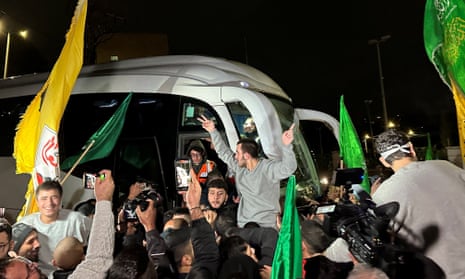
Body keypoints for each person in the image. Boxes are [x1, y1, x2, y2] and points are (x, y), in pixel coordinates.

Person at [372, 129, 465, 279]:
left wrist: (372, 199)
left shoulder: (385, 193)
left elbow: (370, 233)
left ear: (383, 161)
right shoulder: (448, 167)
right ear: (411, 148)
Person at [198, 115, 297, 229]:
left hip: (266, 226)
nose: (235, 156)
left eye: (237, 153)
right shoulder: (240, 168)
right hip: (244, 226)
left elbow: (289, 168)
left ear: (246, 156)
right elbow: (224, 153)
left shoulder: (268, 168)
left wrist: (287, 146)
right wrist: (212, 131)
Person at [17, 180, 92, 276]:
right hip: (39, 275)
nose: (49, 203)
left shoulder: (77, 220)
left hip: (72, 275)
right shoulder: (25, 223)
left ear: (60, 200)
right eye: (44, 198)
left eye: (54, 197)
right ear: (37, 201)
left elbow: (100, 237)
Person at [186, 139, 217, 205]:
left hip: (207, 198)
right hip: (191, 198)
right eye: (193, 154)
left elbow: (216, 184)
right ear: (190, 155)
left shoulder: (210, 165)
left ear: (202, 154)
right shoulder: (185, 167)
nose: (196, 157)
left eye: (198, 154)